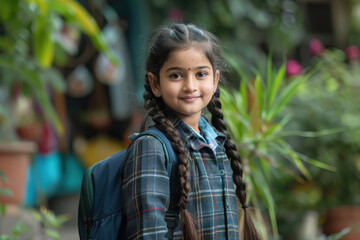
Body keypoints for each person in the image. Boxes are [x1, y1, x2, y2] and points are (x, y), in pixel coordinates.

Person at [121, 23, 260, 240]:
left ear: (215, 81)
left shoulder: (218, 144)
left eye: (201, 74)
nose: (190, 86)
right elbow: (148, 234)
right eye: (176, 76)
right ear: (155, 83)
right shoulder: (151, 148)